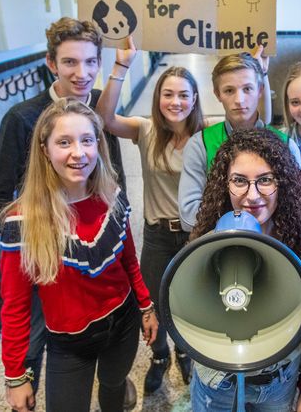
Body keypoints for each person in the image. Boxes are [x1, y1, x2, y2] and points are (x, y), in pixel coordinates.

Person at [0, 17, 135, 407]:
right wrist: (36, 238)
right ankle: (24, 386)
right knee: (40, 338)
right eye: (70, 62)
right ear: (52, 63)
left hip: (98, 254)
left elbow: (109, 176)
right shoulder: (22, 118)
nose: (82, 73)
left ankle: (114, 385)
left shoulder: (102, 106)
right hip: (46, 254)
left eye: (90, 62)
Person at [0, 99, 158, 412]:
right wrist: (15, 376)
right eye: (63, 142)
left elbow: (128, 260)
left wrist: (145, 306)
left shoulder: (111, 196)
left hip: (123, 323)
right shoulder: (23, 220)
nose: (78, 153)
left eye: (87, 140)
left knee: (114, 385)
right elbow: (15, 305)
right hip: (69, 343)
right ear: (44, 149)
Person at [190, 128, 301, 412]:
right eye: (239, 181)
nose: (252, 196)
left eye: (265, 180)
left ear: (283, 182)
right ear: (224, 184)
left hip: (277, 382)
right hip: (217, 382)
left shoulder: (296, 242)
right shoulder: (204, 250)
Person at [95, 37, 204, 393]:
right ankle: (160, 355)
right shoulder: (146, 130)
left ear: (195, 99)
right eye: (168, 94)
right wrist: (121, 66)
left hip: (194, 235)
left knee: (189, 301)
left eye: (184, 95)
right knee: (153, 303)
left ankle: (185, 352)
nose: (176, 102)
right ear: (158, 99)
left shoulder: (207, 136)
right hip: (157, 234)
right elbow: (104, 119)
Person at [178, 52, 301, 231]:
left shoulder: (287, 145)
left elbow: (295, 209)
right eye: (229, 90)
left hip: (274, 247)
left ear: (260, 90)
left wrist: (225, 208)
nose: (239, 100)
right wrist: (256, 210)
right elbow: (189, 218)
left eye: (247, 89)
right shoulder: (200, 145)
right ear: (217, 94)